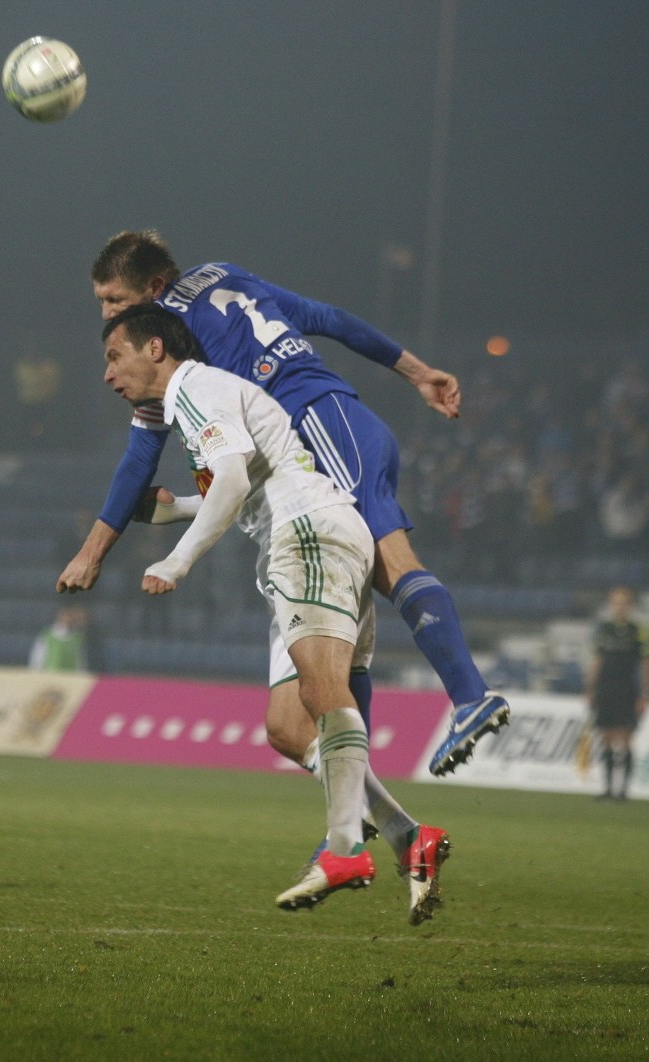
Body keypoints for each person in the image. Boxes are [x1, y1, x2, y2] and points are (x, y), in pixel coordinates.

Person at [61, 230, 509, 777]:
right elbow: (326, 318)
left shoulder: (169, 335)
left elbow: (140, 456)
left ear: (155, 287)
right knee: (347, 636)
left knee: (394, 566)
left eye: (114, 301)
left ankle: (470, 698)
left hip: (319, 422)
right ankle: (352, 827)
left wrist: (93, 553)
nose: (106, 313)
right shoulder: (223, 273)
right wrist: (417, 373)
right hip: (340, 424)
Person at [60, 304, 451, 922]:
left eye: (115, 356)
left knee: (326, 693)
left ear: (155, 349)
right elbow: (244, 483)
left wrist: (177, 560)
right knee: (287, 728)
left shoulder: (194, 387)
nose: (108, 374)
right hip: (300, 536)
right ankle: (409, 838)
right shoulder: (207, 394)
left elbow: (238, 482)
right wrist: (176, 509)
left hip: (307, 535)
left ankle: (347, 847)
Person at [585, 587, 647, 800]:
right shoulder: (603, 629)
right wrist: (591, 688)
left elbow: (644, 664)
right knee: (606, 737)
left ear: (629, 606)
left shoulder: (637, 630)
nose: (619, 606)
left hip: (628, 689)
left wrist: (643, 693)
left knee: (626, 738)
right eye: (615, 602)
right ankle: (609, 788)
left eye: (623, 603)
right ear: (611, 605)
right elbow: (597, 661)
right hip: (606, 688)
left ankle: (624, 790)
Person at [29, 606, 92, 672]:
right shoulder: (46, 636)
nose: (68, 619)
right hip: (49, 677)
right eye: (65, 615)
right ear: (59, 616)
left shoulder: (77, 639)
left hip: (70, 678)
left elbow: (80, 661)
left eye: (70, 616)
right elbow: (37, 658)